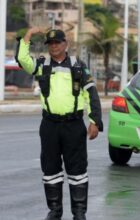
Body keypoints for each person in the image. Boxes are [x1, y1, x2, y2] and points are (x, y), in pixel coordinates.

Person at [15, 27, 103, 220]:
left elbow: (92, 95)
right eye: (50, 44)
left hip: (73, 126)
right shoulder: (41, 66)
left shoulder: (78, 66)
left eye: (57, 42)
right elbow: (22, 59)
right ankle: (55, 211)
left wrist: (95, 121)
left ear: (66, 44)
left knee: (77, 170)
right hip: (50, 125)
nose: (54, 46)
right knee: (50, 169)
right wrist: (28, 35)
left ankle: (79, 212)